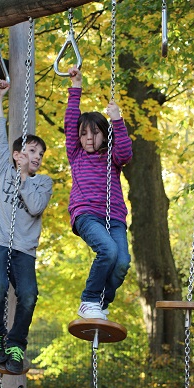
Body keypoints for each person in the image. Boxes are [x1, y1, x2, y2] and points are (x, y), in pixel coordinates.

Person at [0, 80, 53, 374]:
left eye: (40, 155)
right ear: (17, 154)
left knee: (29, 294)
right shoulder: (3, 168)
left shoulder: (42, 183)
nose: (36, 157)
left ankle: (16, 343)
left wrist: (24, 177)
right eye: (32, 151)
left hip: (23, 249)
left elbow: (35, 207)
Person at [65, 65, 132, 320]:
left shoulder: (112, 157)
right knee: (108, 251)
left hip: (114, 217)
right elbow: (71, 120)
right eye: (84, 134)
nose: (89, 139)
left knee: (122, 262)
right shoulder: (76, 153)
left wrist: (117, 119)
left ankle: (101, 303)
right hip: (86, 214)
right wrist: (76, 87)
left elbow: (126, 151)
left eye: (94, 133)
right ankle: (89, 300)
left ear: (105, 135)